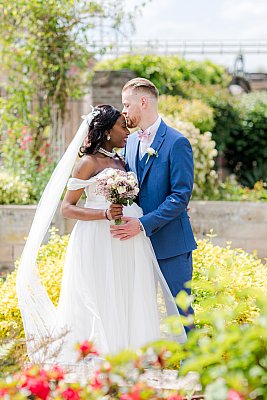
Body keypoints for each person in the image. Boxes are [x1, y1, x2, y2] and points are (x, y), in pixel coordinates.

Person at [16, 104, 186, 365]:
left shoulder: (122, 160)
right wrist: (104, 215)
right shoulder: (87, 163)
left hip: (128, 237)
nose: (127, 130)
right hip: (97, 237)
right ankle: (100, 356)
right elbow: (67, 208)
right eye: (122, 126)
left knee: (128, 290)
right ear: (106, 131)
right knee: (100, 292)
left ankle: (132, 355)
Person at [111, 78, 197, 332]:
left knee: (182, 311)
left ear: (143, 102)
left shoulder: (177, 142)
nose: (124, 111)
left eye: (127, 105)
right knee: (141, 309)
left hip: (171, 243)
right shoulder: (131, 143)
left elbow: (180, 196)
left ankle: (192, 364)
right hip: (137, 247)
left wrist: (142, 224)